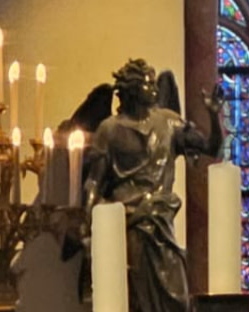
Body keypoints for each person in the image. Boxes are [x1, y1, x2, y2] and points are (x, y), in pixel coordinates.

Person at [84, 59, 223, 312]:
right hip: (129, 223)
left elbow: (212, 149)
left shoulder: (168, 122)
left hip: (160, 220)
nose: (155, 89)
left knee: (176, 296)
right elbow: (95, 179)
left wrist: (214, 116)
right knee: (133, 295)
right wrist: (88, 219)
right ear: (133, 89)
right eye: (148, 83)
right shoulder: (110, 129)